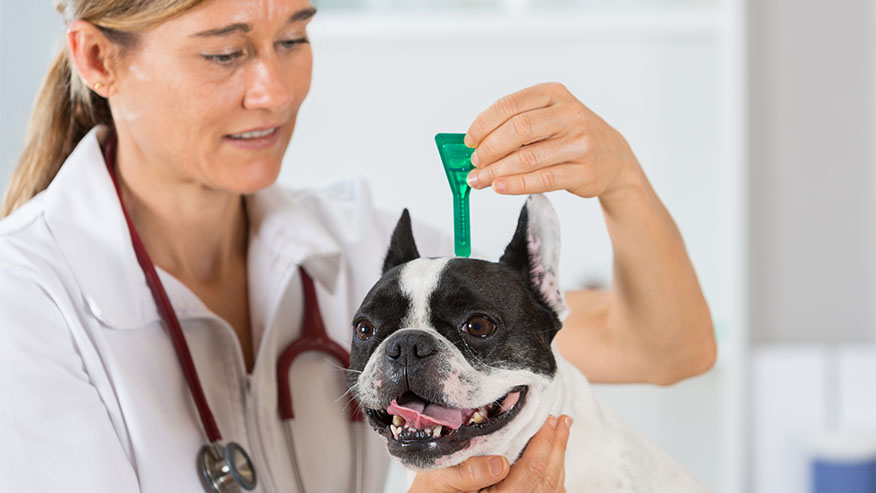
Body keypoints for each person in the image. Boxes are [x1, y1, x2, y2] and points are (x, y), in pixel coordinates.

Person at [0, 0, 716, 492]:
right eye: (225, 53)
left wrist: (620, 177)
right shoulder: (27, 299)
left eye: (294, 38)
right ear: (97, 57)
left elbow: (664, 348)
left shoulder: (365, 255)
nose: (273, 91)